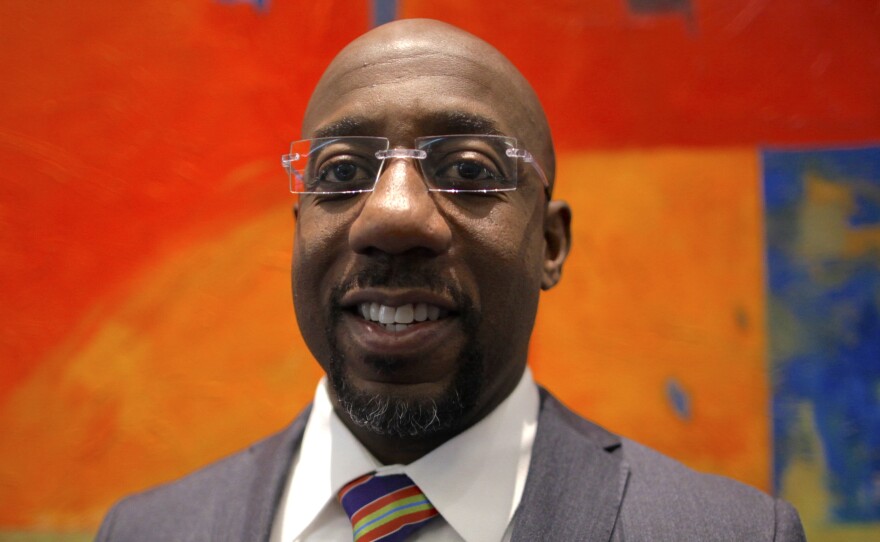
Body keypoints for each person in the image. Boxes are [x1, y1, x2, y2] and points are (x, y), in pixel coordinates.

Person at [96, 19, 806, 542]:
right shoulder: (146, 531)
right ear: (298, 231)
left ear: (550, 244)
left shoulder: (729, 533)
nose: (394, 216)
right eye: (342, 173)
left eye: (467, 170)